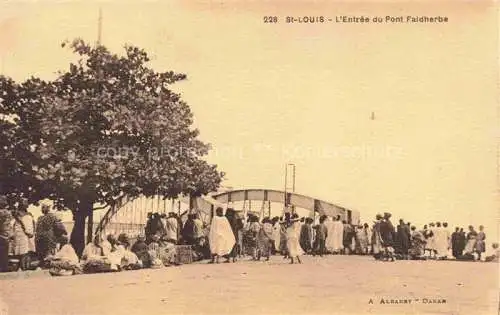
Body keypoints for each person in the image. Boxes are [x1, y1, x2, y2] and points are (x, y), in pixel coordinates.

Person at [0, 196, 13, 272]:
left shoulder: (4, 212)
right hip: (5, 234)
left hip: (3, 234)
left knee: (3, 251)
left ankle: (3, 266)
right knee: (4, 251)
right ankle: (4, 266)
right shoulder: (7, 212)